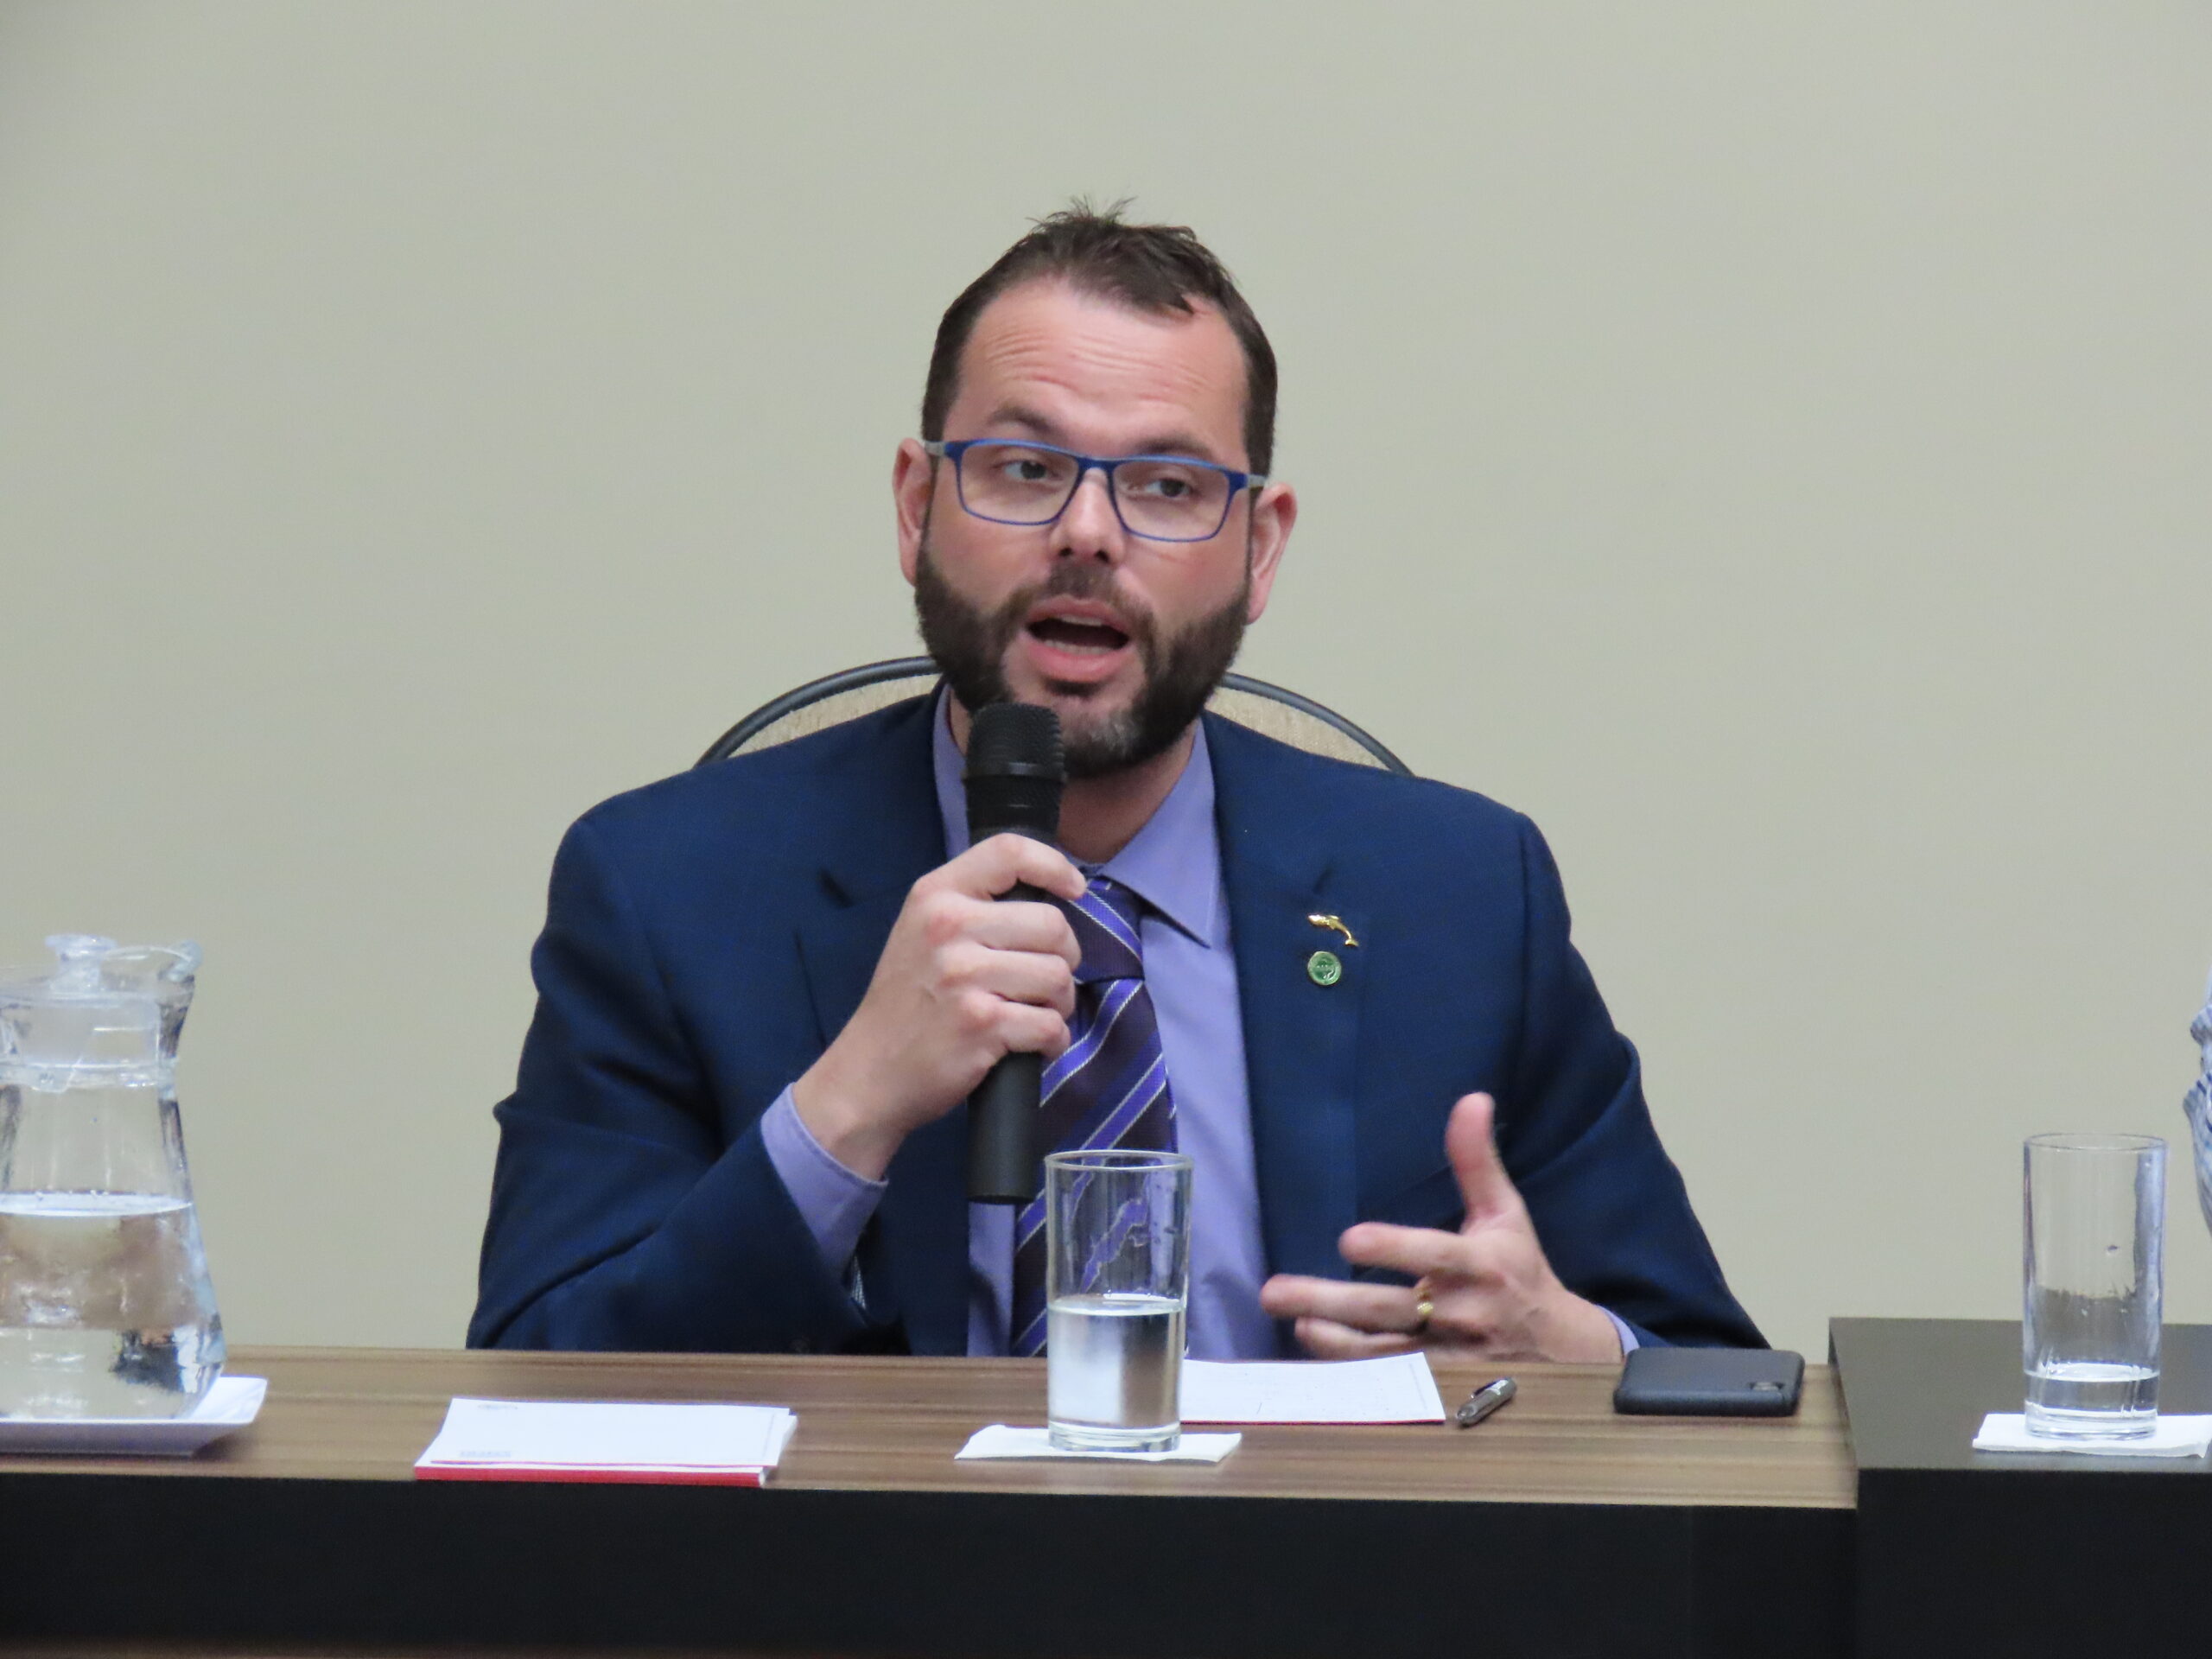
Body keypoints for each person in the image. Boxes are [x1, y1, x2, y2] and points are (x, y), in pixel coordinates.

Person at [468, 207, 1761, 1361]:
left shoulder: (1464, 895)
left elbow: (1710, 1370)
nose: (1090, 534)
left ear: (1260, 550)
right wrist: (846, 1108)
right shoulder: (664, 891)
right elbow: (538, 1374)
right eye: (1026, 470)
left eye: (1167, 485)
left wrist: (1563, 1344)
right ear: (917, 506)